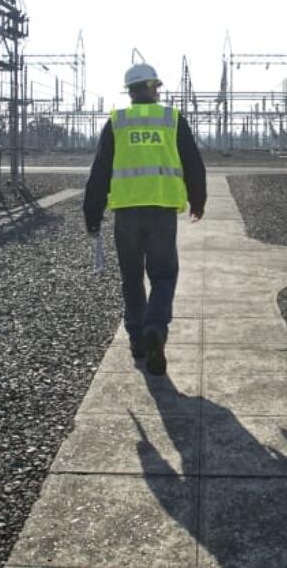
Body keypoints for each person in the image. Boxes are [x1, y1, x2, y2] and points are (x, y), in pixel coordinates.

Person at [84, 62, 206, 376]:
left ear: (130, 91)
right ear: (151, 87)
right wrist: (198, 200)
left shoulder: (117, 122)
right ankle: (156, 328)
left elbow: (99, 171)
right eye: (157, 86)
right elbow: (193, 162)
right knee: (164, 275)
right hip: (162, 210)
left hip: (126, 212)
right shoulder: (171, 119)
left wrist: (92, 213)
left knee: (132, 277)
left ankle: (138, 338)